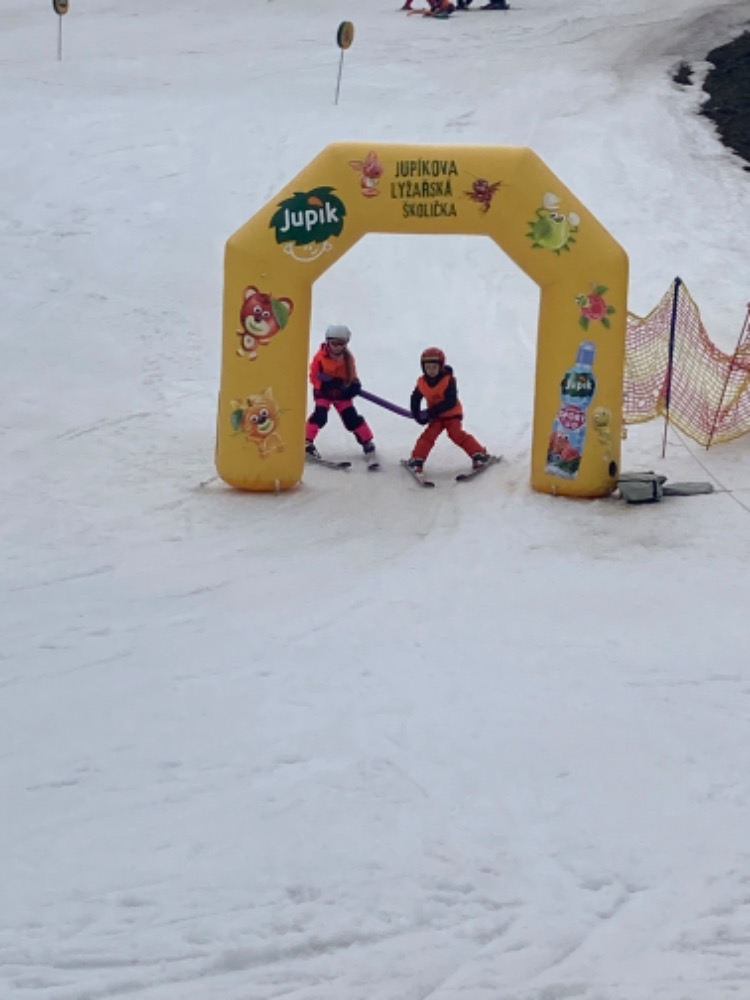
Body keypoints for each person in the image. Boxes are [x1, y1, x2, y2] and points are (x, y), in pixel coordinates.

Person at [408, 347, 489, 471]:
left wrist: (433, 412)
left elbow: (450, 401)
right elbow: (415, 398)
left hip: (452, 415)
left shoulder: (448, 380)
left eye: (434, 367)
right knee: (428, 436)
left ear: (441, 367)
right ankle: (417, 459)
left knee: (456, 434)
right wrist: (417, 414)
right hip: (436, 417)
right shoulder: (422, 382)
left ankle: (479, 454)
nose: (431, 371)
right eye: (428, 367)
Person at [305, 325, 376, 461]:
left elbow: (352, 375)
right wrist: (325, 384)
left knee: (351, 418)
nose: (337, 347)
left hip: (341, 394)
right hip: (324, 393)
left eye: (341, 344)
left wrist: (354, 385)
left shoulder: (348, 358)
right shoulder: (320, 357)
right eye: (334, 343)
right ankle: (306, 442)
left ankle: (367, 442)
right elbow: (313, 376)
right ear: (328, 342)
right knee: (320, 416)